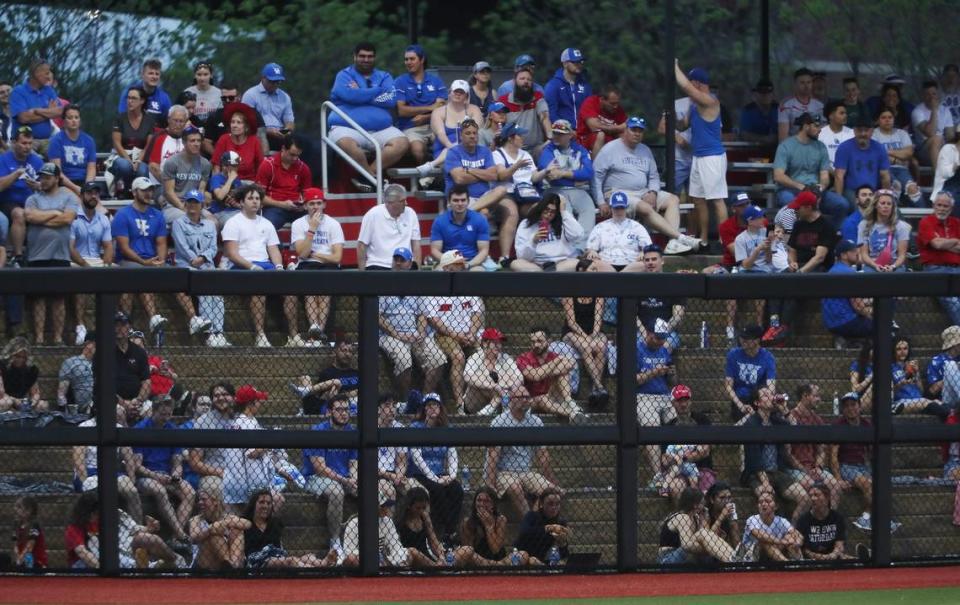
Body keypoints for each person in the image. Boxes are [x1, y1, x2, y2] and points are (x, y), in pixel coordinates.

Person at [592, 117, 699, 255]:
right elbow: (596, 176)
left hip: (643, 192)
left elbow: (654, 176)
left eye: (640, 131)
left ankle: (673, 244)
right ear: (625, 130)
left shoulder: (645, 150)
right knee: (645, 207)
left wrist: (653, 192)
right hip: (618, 193)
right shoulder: (610, 149)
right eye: (633, 130)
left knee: (673, 199)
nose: (637, 133)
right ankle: (679, 237)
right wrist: (600, 202)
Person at [221, 183, 304, 348]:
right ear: (241, 202)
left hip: (266, 266)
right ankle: (260, 335)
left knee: (290, 289)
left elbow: (273, 250)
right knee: (259, 289)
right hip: (241, 267)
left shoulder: (267, 223)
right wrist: (251, 266)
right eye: (250, 198)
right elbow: (232, 254)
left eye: (258, 198)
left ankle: (294, 336)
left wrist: (279, 266)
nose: (255, 202)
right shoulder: (233, 223)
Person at [328, 42, 408, 187]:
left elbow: (390, 99)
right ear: (355, 57)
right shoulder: (344, 75)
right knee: (346, 143)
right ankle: (373, 179)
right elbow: (347, 95)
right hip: (347, 128)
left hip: (380, 129)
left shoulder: (384, 76)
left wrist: (360, 93)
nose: (366, 59)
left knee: (402, 142)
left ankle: (367, 176)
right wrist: (377, 90)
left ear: (374, 58)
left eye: (370, 56)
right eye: (362, 56)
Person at [442, 117, 513, 263]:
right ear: (461, 135)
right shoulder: (453, 152)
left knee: (501, 190)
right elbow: (459, 179)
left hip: (484, 197)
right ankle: (481, 255)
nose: (473, 136)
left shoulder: (485, 151)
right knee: (484, 213)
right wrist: (482, 173)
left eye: (475, 133)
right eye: (468, 133)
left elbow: (493, 175)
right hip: (460, 198)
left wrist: (468, 170)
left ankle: (469, 212)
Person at [24, 162, 78, 345]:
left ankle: (57, 338)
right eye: (42, 177)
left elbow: (68, 218)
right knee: (38, 298)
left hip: (60, 255)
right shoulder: (33, 198)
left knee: (58, 298)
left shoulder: (68, 197)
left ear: (57, 178)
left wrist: (43, 218)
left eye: (48, 177)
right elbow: (30, 217)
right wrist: (55, 212)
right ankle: (39, 338)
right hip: (36, 255)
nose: (44, 180)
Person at [675, 62, 729, 247]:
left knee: (716, 199)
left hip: (712, 157)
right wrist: (672, 120)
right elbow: (683, 125)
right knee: (698, 199)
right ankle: (703, 238)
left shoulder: (710, 101)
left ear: (697, 84)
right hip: (698, 156)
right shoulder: (693, 106)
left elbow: (685, 87)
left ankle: (724, 241)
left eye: (692, 83)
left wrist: (674, 66)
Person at [740, 386, 811, 524]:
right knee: (767, 496)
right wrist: (765, 482)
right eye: (766, 395)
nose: (771, 397)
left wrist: (784, 409)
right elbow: (753, 458)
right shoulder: (751, 424)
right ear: (757, 403)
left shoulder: (776, 420)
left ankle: (793, 529)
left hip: (777, 471)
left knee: (804, 497)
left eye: (771, 394)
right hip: (756, 473)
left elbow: (796, 430)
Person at [485, 392, 559, 517]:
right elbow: (493, 457)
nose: (525, 399)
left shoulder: (536, 422)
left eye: (527, 397)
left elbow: (543, 456)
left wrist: (552, 482)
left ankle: (533, 522)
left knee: (552, 494)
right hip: (504, 472)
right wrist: (490, 486)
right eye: (520, 396)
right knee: (515, 487)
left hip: (526, 472)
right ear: (511, 400)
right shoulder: (499, 422)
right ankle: (530, 523)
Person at [132, 396, 195, 544]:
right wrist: (154, 475)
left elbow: (177, 462)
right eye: (162, 414)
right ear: (153, 411)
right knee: (159, 490)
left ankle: (174, 539)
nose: (166, 418)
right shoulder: (140, 429)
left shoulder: (172, 430)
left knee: (190, 492)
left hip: (167, 476)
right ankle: (180, 534)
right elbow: (136, 466)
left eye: (169, 414)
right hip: (145, 476)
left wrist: (176, 474)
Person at [378, 261, 445, 398]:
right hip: (389, 336)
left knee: (438, 358)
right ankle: (405, 400)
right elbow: (377, 316)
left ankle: (425, 398)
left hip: (413, 334)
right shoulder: (385, 286)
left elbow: (422, 314)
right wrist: (397, 334)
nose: (398, 263)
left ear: (409, 265)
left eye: (402, 261)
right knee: (404, 360)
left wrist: (420, 333)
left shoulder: (416, 287)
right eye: (396, 260)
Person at [111, 177, 169, 335]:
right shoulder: (123, 214)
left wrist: (160, 260)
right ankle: (151, 318)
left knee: (179, 275)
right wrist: (144, 262)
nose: (149, 193)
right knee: (138, 275)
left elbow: (161, 243)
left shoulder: (157, 215)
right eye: (144, 190)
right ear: (135, 192)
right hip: (129, 260)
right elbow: (124, 247)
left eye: (151, 190)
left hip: (151, 259)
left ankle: (193, 318)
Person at [773, 113, 850, 228]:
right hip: (791, 190)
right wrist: (801, 187)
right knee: (790, 202)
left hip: (815, 190)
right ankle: (796, 236)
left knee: (842, 204)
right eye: (817, 126)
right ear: (805, 126)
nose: (820, 130)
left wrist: (820, 188)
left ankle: (827, 236)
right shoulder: (786, 146)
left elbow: (824, 176)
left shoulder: (821, 147)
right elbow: (778, 176)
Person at [172, 190, 228, 347]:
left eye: (196, 202)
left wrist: (202, 258)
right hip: (187, 266)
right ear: (185, 204)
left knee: (217, 294)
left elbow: (213, 247)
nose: (192, 205)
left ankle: (219, 333)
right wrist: (193, 259)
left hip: (206, 265)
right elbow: (181, 245)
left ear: (202, 205)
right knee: (204, 291)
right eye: (189, 201)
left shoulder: (210, 225)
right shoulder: (179, 223)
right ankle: (210, 333)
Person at [302, 394, 357, 552]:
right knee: (336, 491)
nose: (344, 413)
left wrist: (354, 478)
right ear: (329, 412)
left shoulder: (352, 432)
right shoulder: (317, 431)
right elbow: (320, 468)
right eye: (339, 410)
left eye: (346, 409)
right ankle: (335, 542)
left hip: (344, 477)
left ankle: (373, 538)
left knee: (373, 490)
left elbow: (354, 464)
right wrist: (345, 481)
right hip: (315, 478)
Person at [408, 393, 465, 543]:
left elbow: (452, 454)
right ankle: (451, 532)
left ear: (440, 408)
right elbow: (417, 458)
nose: (432, 408)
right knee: (437, 490)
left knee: (457, 490)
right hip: (419, 473)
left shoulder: (446, 428)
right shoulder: (415, 427)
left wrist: (451, 476)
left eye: (435, 405)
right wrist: (434, 478)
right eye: (428, 405)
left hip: (440, 473)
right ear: (424, 409)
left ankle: (447, 533)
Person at [289, 187, 342, 340]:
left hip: (329, 266)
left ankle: (318, 333)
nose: (316, 207)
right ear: (305, 206)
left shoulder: (333, 224)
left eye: (319, 203)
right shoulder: (298, 224)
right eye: (311, 204)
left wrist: (315, 254)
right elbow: (303, 254)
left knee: (324, 292)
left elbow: (337, 258)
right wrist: (311, 229)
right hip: (307, 265)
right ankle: (316, 332)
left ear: (324, 204)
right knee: (311, 290)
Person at [223, 385, 285, 513]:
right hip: (247, 480)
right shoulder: (247, 423)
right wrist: (272, 440)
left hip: (235, 478)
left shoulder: (241, 420)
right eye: (257, 401)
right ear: (250, 404)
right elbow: (251, 453)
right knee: (278, 500)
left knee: (240, 520)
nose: (260, 404)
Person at [243, 489, 332, 569]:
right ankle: (315, 571)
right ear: (254, 504)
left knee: (308, 557)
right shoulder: (245, 523)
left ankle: (322, 564)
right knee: (292, 560)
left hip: (275, 557)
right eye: (261, 502)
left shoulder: (274, 523)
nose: (265, 506)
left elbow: (280, 546)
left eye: (268, 503)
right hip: (257, 560)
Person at [69, 182, 113, 343]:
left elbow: (108, 246)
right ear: (81, 196)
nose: (93, 196)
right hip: (76, 261)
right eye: (89, 193)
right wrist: (85, 265)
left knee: (121, 276)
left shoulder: (103, 219)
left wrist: (107, 264)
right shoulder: (73, 217)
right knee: (82, 279)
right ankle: (80, 326)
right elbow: (70, 248)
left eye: (96, 193)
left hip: (97, 261)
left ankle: (116, 323)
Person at [538, 118, 596, 239]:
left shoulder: (580, 150)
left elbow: (589, 173)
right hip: (554, 189)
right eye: (555, 133)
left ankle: (582, 248)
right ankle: (568, 247)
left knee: (589, 210)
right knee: (566, 211)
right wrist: (576, 178)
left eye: (561, 134)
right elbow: (552, 175)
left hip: (579, 191)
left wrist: (563, 174)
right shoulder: (548, 150)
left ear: (570, 135)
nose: (557, 137)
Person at [787, 384, 843, 507]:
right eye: (816, 396)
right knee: (812, 486)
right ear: (805, 396)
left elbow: (821, 450)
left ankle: (831, 519)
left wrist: (818, 466)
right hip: (794, 469)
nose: (819, 399)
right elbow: (788, 454)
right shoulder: (790, 417)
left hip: (814, 467)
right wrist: (804, 470)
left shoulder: (816, 419)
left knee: (836, 487)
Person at [830, 393, 879, 532]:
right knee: (868, 484)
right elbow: (833, 455)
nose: (850, 408)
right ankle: (865, 517)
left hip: (864, 465)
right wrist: (838, 478)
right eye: (846, 406)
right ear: (843, 410)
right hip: (846, 465)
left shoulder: (866, 424)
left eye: (853, 405)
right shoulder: (839, 426)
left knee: (881, 483)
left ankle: (877, 518)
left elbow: (872, 451)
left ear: (859, 406)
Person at [562, 258, 609, 400]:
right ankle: (600, 386)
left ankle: (595, 389)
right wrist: (586, 337)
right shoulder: (570, 292)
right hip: (572, 332)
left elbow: (597, 319)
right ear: (581, 271)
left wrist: (594, 335)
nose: (596, 272)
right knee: (586, 347)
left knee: (601, 346)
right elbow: (571, 322)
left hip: (592, 332)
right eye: (593, 269)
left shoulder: (598, 292)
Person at [516, 327, 586, 423]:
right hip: (532, 399)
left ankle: (569, 402)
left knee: (563, 373)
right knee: (542, 398)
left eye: (540, 341)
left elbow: (571, 363)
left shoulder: (553, 355)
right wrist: (557, 361)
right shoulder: (523, 358)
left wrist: (541, 372)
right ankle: (573, 413)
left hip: (552, 394)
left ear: (549, 341)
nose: (536, 345)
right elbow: (535, 376)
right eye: (533, 342)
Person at [636, 319, 678, 473]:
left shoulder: (664, 350)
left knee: (679, 424)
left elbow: (673, 382)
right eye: (657, 338)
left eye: (663, 338)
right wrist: (653, 373)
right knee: (652, 430)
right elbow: (631, 381)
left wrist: (672, 374)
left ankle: (675, 470)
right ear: (648, 333)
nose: (660, 341)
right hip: (643, 397)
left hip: (665, 396)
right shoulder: (636, 349)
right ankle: (657, 475)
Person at [395, 44, 447, 166]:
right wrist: (429, 108)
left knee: (449, 144)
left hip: (436, 125)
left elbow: (442, 107)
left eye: (412, 59)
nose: (408, 62)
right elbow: (401, 110)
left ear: (422, 60)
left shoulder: (435, 81)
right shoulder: (400, 81)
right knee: (417, 150)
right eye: (406, 59)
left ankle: (441, 179)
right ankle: (428, 176)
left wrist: (426, 117)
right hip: (411, 128)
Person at [0, 125, 44, 266]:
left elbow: (47, 185)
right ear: (14, 143)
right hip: (7, 201)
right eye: (23, 143)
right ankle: (17, 256)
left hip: (31, 200)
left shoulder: (37, 160)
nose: (27, 147)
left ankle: (39, 256)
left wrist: (37, 186)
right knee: (19, 214)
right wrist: (16, 174)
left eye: (30, 143)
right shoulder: (4, 159)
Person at [660, 385, 715, 496]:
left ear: (690, 401)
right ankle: (682, 514)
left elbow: (705, 451)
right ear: (672, 403)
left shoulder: (702, 420)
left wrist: (681, 457)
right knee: (676, 487)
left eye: (686, 400)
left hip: (702, 468)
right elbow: (664, 459)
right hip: (678, 471)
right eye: (679, 401)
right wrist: (677, 459)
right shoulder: (669, 426)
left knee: (707, 490)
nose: (684, 404)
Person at [658, 487, 735, 564]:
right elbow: (686, 545)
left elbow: (708, 538)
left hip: (686, 556)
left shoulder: (696, 518)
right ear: (695, 505)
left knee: (706, 537)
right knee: (703, 535)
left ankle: (734, 557)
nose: (704, 505)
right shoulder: (682, 517)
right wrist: (709, 548)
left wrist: (703, 520)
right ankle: (732, 561)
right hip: (668, 558)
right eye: (702, 502)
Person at [460, 486, 533, 566]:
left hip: (499, 559)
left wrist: (489, 525)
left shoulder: (501, 520)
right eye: (479, 500)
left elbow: (495, 549)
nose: (482, 504)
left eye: (487, 501)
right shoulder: (467, 522)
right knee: (467, 552)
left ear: (493, 504)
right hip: (479, 561)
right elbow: (468, 552)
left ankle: (496, 565)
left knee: (523, 555)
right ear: (474, 503)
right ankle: (495, 565)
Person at [421, 79, 481, 174]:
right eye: (455, 91)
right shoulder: (438, 112)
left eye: (461, 92)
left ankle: (431, 165)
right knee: (454, 160)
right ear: (450, 93)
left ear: (467, 96)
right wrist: (452, 148)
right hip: (444, 149)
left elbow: (476, 132)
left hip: (469, 148)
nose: (458, 94)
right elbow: (441, 134)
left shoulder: (474, 110)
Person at [917, 192, 960, 325]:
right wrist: (955, 240)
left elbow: (941, 244)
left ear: (951, 208)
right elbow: (936, 244)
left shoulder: (957, 223)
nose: (941, 208)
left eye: (945, 206)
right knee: (953, 302)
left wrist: (943, 243)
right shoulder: (926, 222)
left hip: (957, 269)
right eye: (939, 205)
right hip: (936, 270)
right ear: (933, 205)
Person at [511, 193, 582, 272]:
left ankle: (545, 275)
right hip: (537, 265)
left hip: (561, 263)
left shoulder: (564, 221)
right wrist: (533, 241)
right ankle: (544, 274)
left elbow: (577, 234)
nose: (548, 214)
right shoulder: (526, 223)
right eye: (546, 210)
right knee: (516, 264)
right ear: (541, 208)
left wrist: (563, 212)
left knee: (577, 263)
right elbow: (522, 256)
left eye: (553, 212)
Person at [357, 183, 421, 270]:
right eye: (402, 201)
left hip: (405, 265)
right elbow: (361, 246)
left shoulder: (411, 213)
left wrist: (417, 270)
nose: (406, 203)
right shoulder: (373, 214)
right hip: (378, 264)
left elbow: (416, 245)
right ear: (390, 203)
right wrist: (362, 275)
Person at [493, 122, 552, 215]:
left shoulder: (525, 154)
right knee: (512, 213)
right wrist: (516, 166)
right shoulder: (497, 154)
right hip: (509, 193)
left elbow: (533, 177)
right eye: (519, 135)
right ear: (510, 138)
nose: (523, 138)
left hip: (527, 193)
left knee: (540, 210)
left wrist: (546, 171)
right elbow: (501, 176)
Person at [584, 191, 651, 273]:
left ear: (626, 207)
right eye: (616, 208)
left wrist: (643, 252)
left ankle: (618, 277)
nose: (619, 211)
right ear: (611, 207)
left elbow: (648, 248)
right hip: (606, 263)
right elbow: (590, 249)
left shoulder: (637, 227)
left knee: (644, 265)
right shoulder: (600, 227)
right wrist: (592, 251)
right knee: (594, 264)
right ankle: (619, 278)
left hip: (632, 264)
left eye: (621, 208)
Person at [256, 133, 312, 231]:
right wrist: (282, 204)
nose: (295, 158)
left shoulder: (303, 168)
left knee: (315, 222)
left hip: (296, 208)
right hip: (274, 207)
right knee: (266, 228)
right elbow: (259, 196)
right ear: (283, 149)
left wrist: (304, 205)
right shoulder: (268, 165)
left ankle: (302, 245)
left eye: (298, 155)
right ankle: (277, 246)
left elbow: (307, 194)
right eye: (292, 154)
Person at [289, 338, 360, 415]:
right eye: (344, 350)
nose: (347, 354)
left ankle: (306, 391)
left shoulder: (356, 373)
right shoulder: (327, 373)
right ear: (334, 352)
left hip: (355, 403)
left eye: (350, 351)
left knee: (336, 383)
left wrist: (346, 394)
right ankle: (307, 392)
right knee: (335, 382)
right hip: (332, 405)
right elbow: (324, 396)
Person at [189, 382, 236, 495]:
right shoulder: (203, 422)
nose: (220, 398)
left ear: (233, 397)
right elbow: (194, 462)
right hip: (213, 475)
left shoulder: (241, 419)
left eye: (225, 394)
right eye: (216, 395)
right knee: (214, 488)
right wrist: (220, 472)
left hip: (241, 473)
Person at [822, 240, 874, 343]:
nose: (857, 253)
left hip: (831, 323)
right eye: (853, 251)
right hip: (847, 322)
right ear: (844, 255)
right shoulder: (849, 272)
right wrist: (872, 315)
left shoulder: (832, 270)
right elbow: (858, 307)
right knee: (884, 326)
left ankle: (848, 341)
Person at [462, 327, 523, 415]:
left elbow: (520, 378)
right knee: (481, 376)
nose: (499, 346)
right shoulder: (476, 357)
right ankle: (496, 404)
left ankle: (490, 408)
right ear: (485, 343)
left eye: (500, 343)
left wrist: (502, 388)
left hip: (499, 398)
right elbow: (467, 376)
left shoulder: (506, 358)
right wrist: (494, 386)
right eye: (495, 343)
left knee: (507, 377)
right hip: (474, 403)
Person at [637, 244, 686, 352]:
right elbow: (632, 315)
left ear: (662, 261)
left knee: (666, 345)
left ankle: (660, 368)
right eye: (647, 260)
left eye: (654, 259)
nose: (650, 262)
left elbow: (678, 315)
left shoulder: (673, 284)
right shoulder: (637, 285)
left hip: (668, 332)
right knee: (637, 345)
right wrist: (645, 334)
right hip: (642, 332)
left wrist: (660, 333)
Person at [429, 184, 490, 270]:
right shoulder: (439, 221)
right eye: (456, 200)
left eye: (463, 200)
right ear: (449, 202)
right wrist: (451, 262)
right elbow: (435, 250)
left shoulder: (480, 220)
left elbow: (484, 251)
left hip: (472, 262)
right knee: (439, 271)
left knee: (478, 271)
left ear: (468, 201)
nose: (460, 204)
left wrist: (468, 265)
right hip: (448, 263)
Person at [160, 126, 212, 227]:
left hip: (195, 204)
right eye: (192, 141)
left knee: (213, 222)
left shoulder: (205, 164)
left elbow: (200, 190)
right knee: (188, 220)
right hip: (173, 205)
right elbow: (169, 192)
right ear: (184, 143)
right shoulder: (172, 162)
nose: (196, 144)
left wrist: (197, 208)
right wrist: (184, 209)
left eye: (198, 141)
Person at [189, 487, 251, 570]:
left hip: (224, 562)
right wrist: (211, 529)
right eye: (199, 500)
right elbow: (194, 537)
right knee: (214, 535)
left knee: (237, 530)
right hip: (203, 563)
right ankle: (230, 566)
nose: (200, 502)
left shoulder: (226, 518)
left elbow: (248, 524)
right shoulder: (196, 519)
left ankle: (233, 566)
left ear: (215, 501)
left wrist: (224, 523)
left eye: (204, 499)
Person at [724, 324, 777, 420]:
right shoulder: (733, 354)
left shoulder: (768, 357)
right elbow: (728, 385)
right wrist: (740, 405)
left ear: (757, 340)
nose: (742, 341)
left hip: (759, 397)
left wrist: (765, 402)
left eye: (746, 338)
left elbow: (771, 385)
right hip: (741, 397)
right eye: (741, 337)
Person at [834, 114, 891, 202]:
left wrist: (886, 198)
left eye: (866, 130)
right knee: (859, 206)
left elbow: (885, 176)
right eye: (860, 130)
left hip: (874, 191)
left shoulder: (880, 148)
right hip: (852, 191)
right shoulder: (844, 147)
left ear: (872, 131)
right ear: (854, 131)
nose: (863, 134)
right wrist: (838, 199)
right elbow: (839, 176)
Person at [110, 86, 154, 195]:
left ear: (142, 101)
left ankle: (138, 195)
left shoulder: (149, 120)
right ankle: (122, 191)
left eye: (133, 98)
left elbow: (148, 146)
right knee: (125, 166)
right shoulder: (120, 118)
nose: (130, 101)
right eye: (128, 98)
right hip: (121, 155)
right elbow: (117, 143)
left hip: (140, 156)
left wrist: (138, 161)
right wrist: (129, 161)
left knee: (143, 170)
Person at [241, 62, 295, 150]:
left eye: (278, 82)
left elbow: (290, 121)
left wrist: (287, 130)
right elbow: (246, 123)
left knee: (302, 142)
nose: (275, 84)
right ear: (263, 78)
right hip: (259, 134)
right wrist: (268, 131)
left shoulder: (285, 97)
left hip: (280, 134)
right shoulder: (250, 95)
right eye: (272, 81)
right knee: (261, 137)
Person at [10, 60, 62, 150]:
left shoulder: (48, 90)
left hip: (46, 141)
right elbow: (24, 118)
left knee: (60, 155)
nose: (49, 76)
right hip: (24, 142)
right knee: (32, 159)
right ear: (37, 74)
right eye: (47, 73)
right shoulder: (18, 92)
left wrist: (38, 111)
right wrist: (49, 112)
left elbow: (60, 111)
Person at [891, 338, 949, 419]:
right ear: (894, 351)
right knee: (928, 403)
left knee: (938, 402)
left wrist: (917, 373)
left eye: (905, 348)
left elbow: (921, 392)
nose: (902, 352)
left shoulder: (910, 365)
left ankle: (951, 416)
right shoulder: (890, 367)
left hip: (919, 399)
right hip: (901, 401)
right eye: (898, 349)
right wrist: (902, 383)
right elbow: (888, 393)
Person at [498, 67, 552, 153]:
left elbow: (545, 118)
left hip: (536, 148)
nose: (526, 81)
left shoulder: (538, 97)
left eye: (529, 79)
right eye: (522, 79)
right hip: (513, 150)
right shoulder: (503, 101)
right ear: (515, 81)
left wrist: (550, 137)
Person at [46, 105, 96, 197]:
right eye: (70, 118)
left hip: (84, 182)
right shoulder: (56, 141)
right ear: (64, 121)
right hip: (64, 183)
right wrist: (76, 188)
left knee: (95, 204)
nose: (74, 120)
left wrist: (87, 187)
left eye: (76, 117)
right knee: (77, 202)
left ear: (80, 120)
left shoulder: (89, 141)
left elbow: (91, 168)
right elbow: (57, 172)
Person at [739, 490, 803, 561]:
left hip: (774, 553)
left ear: (776, 506)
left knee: (790, 537)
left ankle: (799, 564)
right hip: (750, 556)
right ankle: (786, 563)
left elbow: (797, 534)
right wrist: (783, 542)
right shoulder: (752, 519)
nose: (763, 504)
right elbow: (760, 536)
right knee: (764, 541)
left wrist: (797, 542)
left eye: (767, 501)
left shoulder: (782, 521)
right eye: (760, 502)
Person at [796, 483, 853, 561]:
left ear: (827, 497)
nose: (813, 498)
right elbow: (804, 550)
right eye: (810, 495)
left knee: (847, 559)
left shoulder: (837, 517)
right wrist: (820, 557)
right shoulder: (803, 520)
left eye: (816, 495)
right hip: (812, 559)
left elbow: (839, 544)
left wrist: (832, 555)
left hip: (834, 557)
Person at [514, 486, 571, 563]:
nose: (554, 507)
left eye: (557, 504)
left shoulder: (560, 522)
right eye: (550, 504)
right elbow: (524, 533)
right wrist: (547, 528)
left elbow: (564, 555)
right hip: (524, 556)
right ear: (541, 503)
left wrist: (562, 543)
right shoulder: (532, 516)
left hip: (542, 560)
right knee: (529, 559)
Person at [872, 107, 918, 203]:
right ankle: (892, 214)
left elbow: (908, 153)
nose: (887, 120)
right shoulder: (873, 134)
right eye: (883, 117)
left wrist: (887, 152)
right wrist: (898, 156)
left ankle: (924, 217)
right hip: (883, 170)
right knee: (895, 186)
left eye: (890, 117)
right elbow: (876, 156)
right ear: (878, 120)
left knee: (913, 189)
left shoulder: (902, 133)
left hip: (902, 169)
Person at [857, 189, 909, 273]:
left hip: (895, 265)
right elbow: (864, 254)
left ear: (893, 207)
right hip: (872, 264)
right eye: (882, 203)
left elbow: (902, 255)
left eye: (889, 204)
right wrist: (875, 265)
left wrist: (893, 266)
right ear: (875, 205)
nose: (886, 206)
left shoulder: (901, 226)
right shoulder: (864, 225)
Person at [112, 312, 150, 423]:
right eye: (116, 325)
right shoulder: (104, 352)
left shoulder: (139, 352)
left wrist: (138, 401)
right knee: (118, 412)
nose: (119, 328)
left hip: (137, 400)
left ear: (129, 327)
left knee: (151, 410)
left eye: (123, 324)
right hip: (114, 401)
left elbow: (146, 381)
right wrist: (124, 403)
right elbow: (104, 386)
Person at [394, 486, 446, 567]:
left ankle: (437, 566)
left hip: (425, 558)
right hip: (409, 557)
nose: (421, 511)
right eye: (418, 508)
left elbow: (433, 541)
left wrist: (441, 556)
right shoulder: (401, 522)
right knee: (413, 551)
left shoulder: (424, 517)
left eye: (423, 508)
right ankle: (436, 568)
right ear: (409, 506)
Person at [787, 190, 838, 273]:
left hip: (820, 268)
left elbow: (820, 257)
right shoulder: (798, 224)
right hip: (799, 266)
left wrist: (801, 272)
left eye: (798, 208)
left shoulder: (826, 224)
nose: (795, 211)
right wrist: (792, 262)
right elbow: (792, 249)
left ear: (808, 207)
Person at [212, 102, 263, 182]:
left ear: (246, 127)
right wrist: (216, 185)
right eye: (232, 122)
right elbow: (216, 166)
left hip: (249, 183)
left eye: (239, 122)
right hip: (226, 182)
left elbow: (260, 167)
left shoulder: (254, 141)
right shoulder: (223, 139)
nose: (234, 125)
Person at [912, 80, 955, 167]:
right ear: (923, 96)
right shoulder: (917, 111)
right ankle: (938, 179)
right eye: (927, 94)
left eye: (934, 93)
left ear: (938, 95)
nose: (931, 97)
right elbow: (930, 133)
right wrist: (934, 110)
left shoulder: (945, 110)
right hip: (923, 152)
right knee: (936, 139)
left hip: (942, 148)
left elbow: (950, 136)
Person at [544, 48, 591, 127]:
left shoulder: (585, 85)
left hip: (583, 133)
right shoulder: (553, 85)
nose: (579, 65)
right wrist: (566, 129)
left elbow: (590, 110)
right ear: (565, 64)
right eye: (574, 62)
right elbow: (551, 114)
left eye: (580, 62)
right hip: (562, 133)